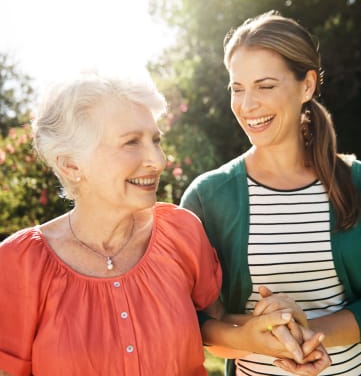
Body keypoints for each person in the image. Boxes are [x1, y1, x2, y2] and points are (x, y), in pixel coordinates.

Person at [181, 11, 361, 376]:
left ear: (307, 86)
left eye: (265, 86)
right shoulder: (208, 197)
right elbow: (194, 320)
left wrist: (310, 333)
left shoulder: (356, 181)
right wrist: (254, 335)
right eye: (237, 88)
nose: (247, 105)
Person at [0, 72, 225, 376]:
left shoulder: (181, 230)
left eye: (155, 140)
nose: (158, 161)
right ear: (71, 165)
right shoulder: (19, 263)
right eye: (131, 142)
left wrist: (266, 330)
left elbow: (218, 332)